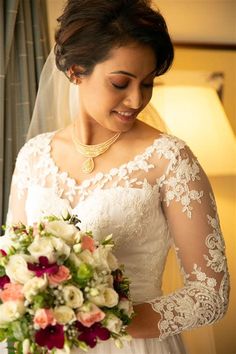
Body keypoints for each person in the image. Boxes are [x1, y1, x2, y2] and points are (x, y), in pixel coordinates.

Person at [3, 0, 230, 353]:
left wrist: (100, 316)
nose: (136, 99)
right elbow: (9, 263)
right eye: (121, 83)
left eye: (148, 83)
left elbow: (210, 294)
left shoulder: (169, 159)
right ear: (76, 71)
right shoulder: (34, 155)